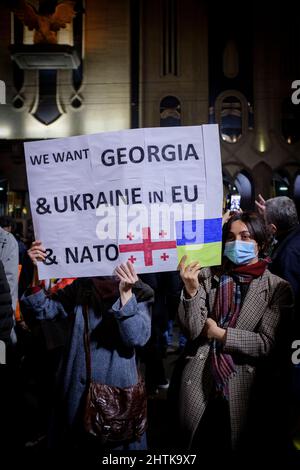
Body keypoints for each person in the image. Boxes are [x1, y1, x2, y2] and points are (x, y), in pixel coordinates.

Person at [169, 211, 293, 454]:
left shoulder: (278, 288)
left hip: (248, 388)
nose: (238, 243)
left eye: (246, 237)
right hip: (203, 381)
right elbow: (193, 329)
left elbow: (267, 343)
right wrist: (192, 291)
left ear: (261, 243)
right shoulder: (207, 275)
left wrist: (220, 334)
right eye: (232, 237)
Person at [21, 240, 154, 455]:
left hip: (115, 401)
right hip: (73, 393)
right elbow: (43, 311)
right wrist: (37, 271)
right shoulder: (83, 286)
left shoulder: (141, 291)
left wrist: (126, 295)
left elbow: (137, 337)